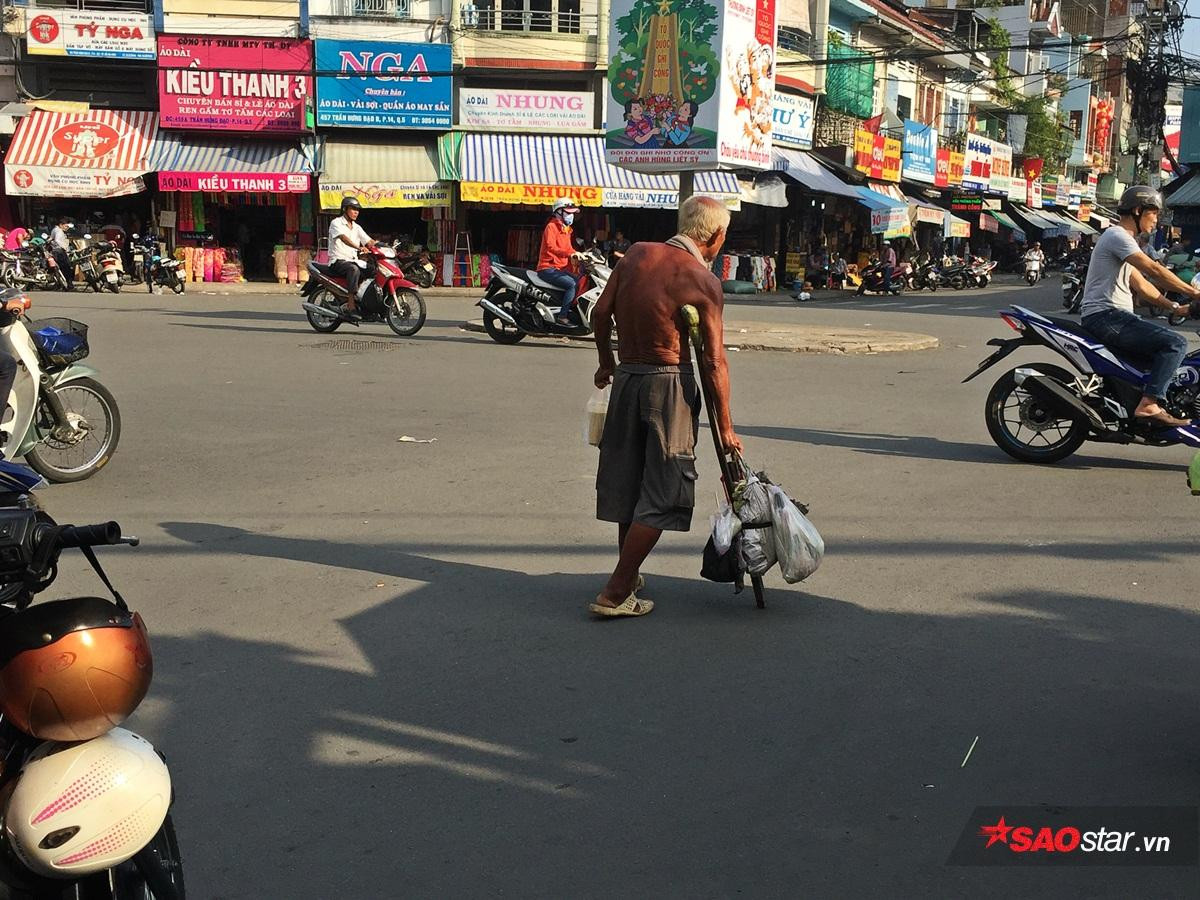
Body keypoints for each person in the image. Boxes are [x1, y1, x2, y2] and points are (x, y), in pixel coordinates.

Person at [588, 196, 739, 618]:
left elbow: (601, 314)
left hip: (628, 378)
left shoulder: (635, 254)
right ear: (716, 236)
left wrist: (606, 363)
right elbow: (712, 361)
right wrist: (725, 428)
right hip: (667, 382)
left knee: (630, 484)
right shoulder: (701, 280)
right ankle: (615, 592)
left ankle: (628, 574)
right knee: (666, 490)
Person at [1080, 185, 1200, 427]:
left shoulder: (1123, 243)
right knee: (1175, 344)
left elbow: (1143, 286)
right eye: (1153, 213)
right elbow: (1154, 270)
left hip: (1112, 317)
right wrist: (1195, 293)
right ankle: (1149, 403)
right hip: (1107, 316)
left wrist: (1175, 307)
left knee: (1155, 358)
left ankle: (1136, 401)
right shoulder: (1118, 236)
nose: (1156, 221)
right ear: (1137, 210)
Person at [537, 197, 582, 326]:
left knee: (579, 280)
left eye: (572, 213)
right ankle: (562, 317)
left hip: (560, 268)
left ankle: (564, 309)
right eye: (568, 212)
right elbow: (551, 247)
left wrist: (579, 255)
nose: (571, 215)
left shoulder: (566, 230)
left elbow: (568, 248)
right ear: (559, 212)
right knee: (571, 285)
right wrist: (571, 253)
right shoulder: (551, 227)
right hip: (547, 268)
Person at [327, 197, 374, 315]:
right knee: (353, 270)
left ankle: (364, 299)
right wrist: (358, 248)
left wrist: (384, 246)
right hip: (338, 261)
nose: (356, 212)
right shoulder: (336, 223)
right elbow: (343, 238)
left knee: (373, 270)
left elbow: (369, 241)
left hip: (354, 260)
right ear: (345, 209)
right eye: (353, 209)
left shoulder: (357, 227)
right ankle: (351, 305)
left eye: (357, 209)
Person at [48, 217, 73, 292]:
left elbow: (51, 238)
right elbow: (57, 240)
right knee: (66, 267)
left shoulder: (55, 230)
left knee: (59, 268)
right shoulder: (59, 231)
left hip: (55, 251)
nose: (67, 228)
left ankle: (59, 284)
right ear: (61, 225)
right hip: (59, 251)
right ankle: (69, 284)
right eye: (66, 226)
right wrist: (64, 247)